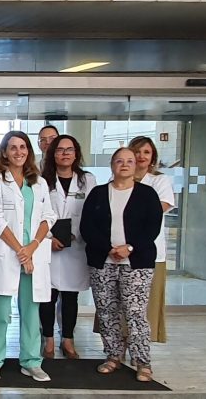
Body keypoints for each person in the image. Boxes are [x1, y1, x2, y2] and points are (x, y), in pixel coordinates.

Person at [81, 148, 164, 382]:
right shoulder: (98, 194)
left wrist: (128, 248)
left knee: (135, 312)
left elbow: (152, 227)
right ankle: (113, 355)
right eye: (119, 161)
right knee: (107, 311)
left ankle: (142, 361)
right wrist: (108, 248)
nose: (125, 165)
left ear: (135, 165)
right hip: (103, 262)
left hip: (136, 263)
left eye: (129, 161)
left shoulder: (147, 194)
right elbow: (87, 227)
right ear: (112, 165)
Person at [0, 131, 57, 382]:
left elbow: (49, 217)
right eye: (12, 147)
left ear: (29, 151)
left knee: (31, 311)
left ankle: (31, 361)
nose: (18, 152)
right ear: (4, 152)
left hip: (33, 255)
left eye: (22, 147)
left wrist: (32, 247)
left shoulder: (40, 182)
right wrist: (20, 250)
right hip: (7, 254)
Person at [40, 135, 96, 359]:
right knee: (48, 295)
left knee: (70, 296)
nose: (65, 153)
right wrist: (49, 238)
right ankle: (48, 341)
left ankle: (68, 339)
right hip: (49, 245)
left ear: (76, 153)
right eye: (60, 149)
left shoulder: (87, 180)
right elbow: (38, 213)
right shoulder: (42, 180)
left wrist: (78, 234)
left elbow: (94, 212)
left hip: (76, 246)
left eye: (69, 149)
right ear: (52, 154)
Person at [129, 136, 175, 344]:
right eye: (137, 152)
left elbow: (159, 209)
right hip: (119, 251)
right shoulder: (119, 180)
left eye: (146, 152)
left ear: (152, 157)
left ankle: (141, 348)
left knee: (146, 303)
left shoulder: (160, 181)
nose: (141, 156)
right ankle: (118, 347)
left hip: (149, 250)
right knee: (120, 302)